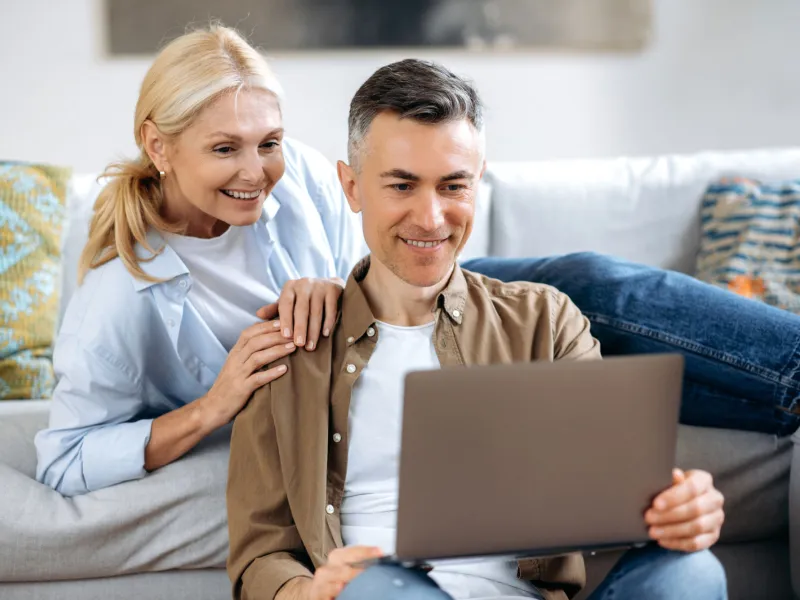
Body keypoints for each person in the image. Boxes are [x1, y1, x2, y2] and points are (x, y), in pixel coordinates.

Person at [226, 59, 727, 600]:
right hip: (385, 593)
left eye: (453, 186)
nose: (432, 217)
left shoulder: (546, 321)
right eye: (401, 185)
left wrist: (682, 508)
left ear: (477, 183)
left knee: (692, 572)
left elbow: (615, 492)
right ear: (351, 187)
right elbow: (260, 552)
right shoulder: (291, 344)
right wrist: (310, 593)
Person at [34, 25, 366, 496]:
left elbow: (385, 304)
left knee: (495, 286)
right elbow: (64, 462)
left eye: (268, 142)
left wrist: (343, 290)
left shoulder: (304, 177)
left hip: (351, 415)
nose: (257, 172)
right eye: (225, 148)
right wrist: (213, 406)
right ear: (158, 146)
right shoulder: (119, 291)